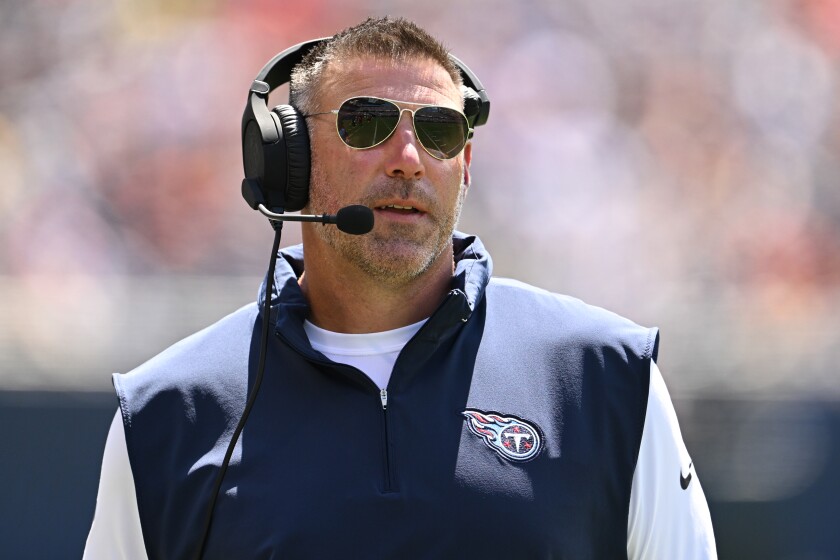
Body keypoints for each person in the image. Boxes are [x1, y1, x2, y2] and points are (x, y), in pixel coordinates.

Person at [84, 17, 717, 559]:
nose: (409, 158)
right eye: (367, 124)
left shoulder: (610, 377)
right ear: (290, 159)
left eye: (440, 131)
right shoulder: (163, 415)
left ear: (465, 165)